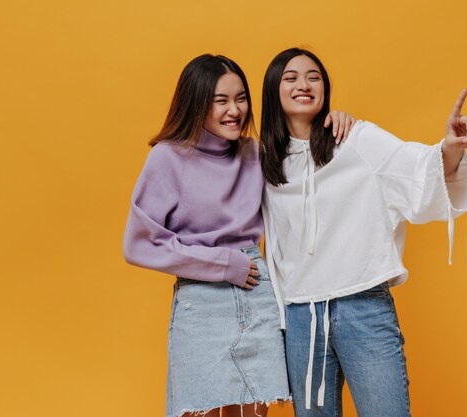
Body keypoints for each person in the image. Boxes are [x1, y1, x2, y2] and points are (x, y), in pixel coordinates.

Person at [123, 54, 354, 417]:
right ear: (196, 104)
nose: (235, 110)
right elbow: (140, 243)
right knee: (204, 409)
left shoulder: (255, 154)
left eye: (241, 98)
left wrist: (333, 123)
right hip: (203, 300)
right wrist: (221, 263)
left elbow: (307, 174)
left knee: (252, 412)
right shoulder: (167, 159)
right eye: (221, 101)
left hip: (256, 292)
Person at [260, 48, 467, 417]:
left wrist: (450, 148)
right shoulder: (265, 160)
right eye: (291, 77)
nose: (304, 84)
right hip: (301, 319)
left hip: (363, 306)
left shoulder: (356, 139)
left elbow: (412, 167)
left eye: (314, 76)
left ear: (325, 89)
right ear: (273, 91)